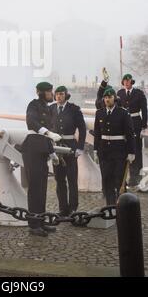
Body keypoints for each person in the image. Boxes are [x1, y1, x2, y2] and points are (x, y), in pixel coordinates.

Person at [23, 81, 61, 237]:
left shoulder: (47, 108)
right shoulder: (33, 105)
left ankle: (41, 220)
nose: (52, 94)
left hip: (42, 149)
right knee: (34, 189)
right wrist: (48, 133)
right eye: (50, 92)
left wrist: (52, 153)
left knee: (42, 188)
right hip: (32, 149)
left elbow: (47, 135)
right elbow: (31, 123)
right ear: (42, 93)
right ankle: (33, 224)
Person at [94, 87, 136, 204]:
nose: (107, 100)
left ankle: (122, 206)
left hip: (119, 152)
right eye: (105, 97)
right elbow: (97, 133)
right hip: (104, 152)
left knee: (119, 180)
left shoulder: (123, 113)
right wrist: (96, 150)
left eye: (110, 97)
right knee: (107, 180)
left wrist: (131, 152)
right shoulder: (100, 113)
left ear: (115, 99)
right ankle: (110, 207)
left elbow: (130, 134)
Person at [50, 86, 86, 217]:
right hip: (56, 147)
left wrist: (80, 147)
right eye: (57, 94)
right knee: (59, 179)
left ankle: (73, 208)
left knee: (71, 179)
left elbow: (82, 128)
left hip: (70, 147)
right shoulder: (51, 109)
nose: (59, 96)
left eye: (61, 94)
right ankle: (63, 208)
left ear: (66, 95)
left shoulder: (74, 109)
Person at [117, 74, 147, 186]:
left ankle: (136, 176)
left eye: (128, 81)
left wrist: (144, 125)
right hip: (123, 123)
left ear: (132, 82)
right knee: (125, 149)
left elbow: (144, 109)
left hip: (135, 122)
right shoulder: (119, 93)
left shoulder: (139, 93)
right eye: (124, 81)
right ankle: (126, 176)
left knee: (136, 149)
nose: (126, 82)